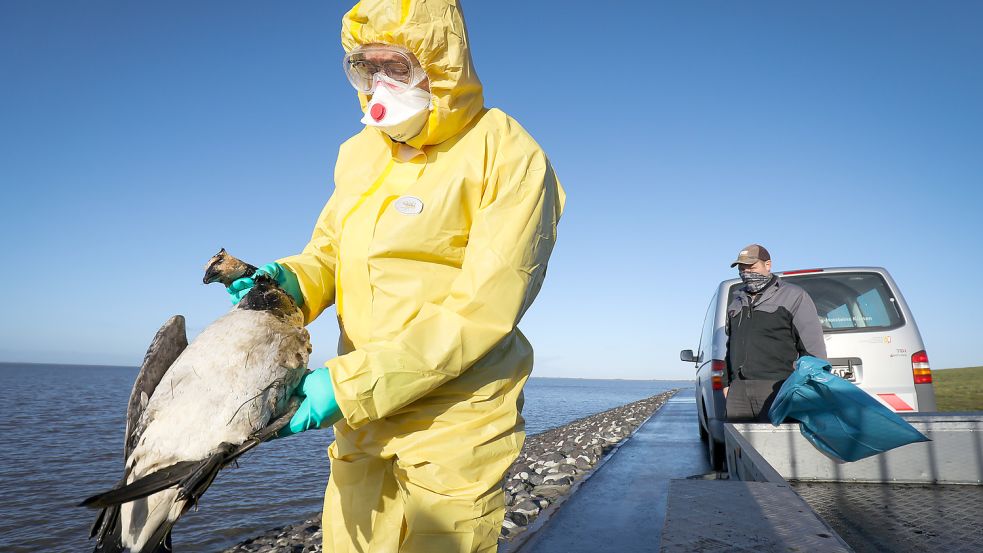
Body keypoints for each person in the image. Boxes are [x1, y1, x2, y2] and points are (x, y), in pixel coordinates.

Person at [225, 1, 564, 552]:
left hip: (455, 418)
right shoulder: (359, 154)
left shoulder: (506, 151)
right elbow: (330, 253)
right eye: (366, 67)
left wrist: (349, 384)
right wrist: (285, 283)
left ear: (442, 63)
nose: (379, 82)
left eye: (397, 67)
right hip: (361, 420)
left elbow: (483, 309)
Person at [723, 244, 826, 422]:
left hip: (777, 388)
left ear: (768, 265)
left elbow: (812, 348)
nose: (746, 273)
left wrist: (808, 388)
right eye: (742, 269)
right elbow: (730, 345)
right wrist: (727, 383)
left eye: (752, 267)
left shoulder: (794, 296)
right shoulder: (737, 300)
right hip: (738, 392)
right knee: (738, 447)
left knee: (776, 446)